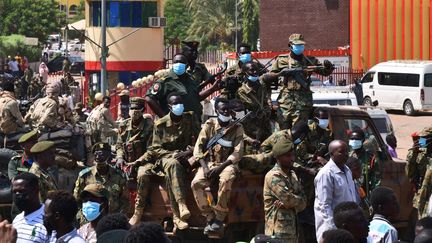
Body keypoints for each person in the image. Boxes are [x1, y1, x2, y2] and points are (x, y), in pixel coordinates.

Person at [129, 93, 198, 229]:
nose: (179, 106)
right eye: (176, 104)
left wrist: (189, 151)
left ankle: (179, 209)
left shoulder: (189, 118)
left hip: (182, 159)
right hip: (163, 157)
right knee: (143, 172)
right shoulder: (160, 124)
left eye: (180, 103)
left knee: (173, 165)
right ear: (169, 107)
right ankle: (138, 211)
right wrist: (138, 161)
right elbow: (155, 148)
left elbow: (200, 139)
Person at [191, 97, 244, 236]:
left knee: (226, 180)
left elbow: (238, 152)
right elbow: (198, 148)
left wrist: (221, 168)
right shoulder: (209, 125)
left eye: (228, 109)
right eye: (223, 110)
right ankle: (209, 217)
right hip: (209, 163)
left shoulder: (237, 127)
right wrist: (205, 167)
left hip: (228, 164)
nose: (226, 112)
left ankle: (219, 218)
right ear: (216, 110)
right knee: (196, 183)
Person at [263, 34, 334, 129]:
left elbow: (324, 72)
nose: (300, 47)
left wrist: (328, 68)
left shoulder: (310, 60)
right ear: (290, 45)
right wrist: (282, 73)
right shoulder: (281, 60)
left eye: (301, 45)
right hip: (285, 102)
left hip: (303, 104)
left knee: (300, 131)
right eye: (297, 45)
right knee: (283, 132)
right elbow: (268, 77)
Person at [263, 138, 306, 242]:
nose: (292, 159)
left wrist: (290, 203)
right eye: (288, 156)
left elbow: (304, 202)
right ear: (278, 157)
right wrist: (293, 201)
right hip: (277, 231)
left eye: (293, 155)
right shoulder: (273, 176)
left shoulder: (293, 175)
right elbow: (288, 199)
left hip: (292, 231)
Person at [314, 140, 358, 241]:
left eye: (347, 151)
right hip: (332, 230)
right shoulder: (326, 174)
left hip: (347, 227)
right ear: (332, 154)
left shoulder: (347, 170)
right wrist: (333, 231)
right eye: (341, 152)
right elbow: (324, 206)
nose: (346, 155)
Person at [74, 143, 129, 218]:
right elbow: (77, 200)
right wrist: (82, 218)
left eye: (102, 154)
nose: (98, 157)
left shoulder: (118, 176)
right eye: (96, 154)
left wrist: (119, 218)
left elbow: (125, 201)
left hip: (112, 218)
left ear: (109, 156)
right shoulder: (85, 175)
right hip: (90, 219)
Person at [236, 61, 272, 143]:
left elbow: (266, 101)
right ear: (245, 73)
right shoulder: (242, 92)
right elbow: (250, 106)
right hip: (250, 131)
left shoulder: (262, 86)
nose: (255, 72)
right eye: (251, 70)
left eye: (256, 70)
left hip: (265, 128)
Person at [115, 97, 153, 167]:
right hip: (126, 161)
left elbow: (151, 149)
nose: (134, 111)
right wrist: (120, 157)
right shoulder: (123, 125)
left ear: (143, 110)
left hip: (144, 163)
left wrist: (137, 162)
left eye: (137, 108)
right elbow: (119, 145)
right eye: (132, 108)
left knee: (142, 175)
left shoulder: (150, 126)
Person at [12, 173, 49, 243]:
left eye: (21, 191)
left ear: (36, 191)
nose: (17, 195)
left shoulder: (48, 219)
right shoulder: (17, 219)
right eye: (14, 192)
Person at [348, 129, 381, 198]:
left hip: (364, 196)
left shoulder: (371, 158)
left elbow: (376, 182)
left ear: (363, 140)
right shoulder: (346, 157)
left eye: (356, 139)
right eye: (352, 139)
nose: (354, 141)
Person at [407, 127, 432, 196]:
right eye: (421, 138)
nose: (421, 140)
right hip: (420, 193)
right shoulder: (418, 154)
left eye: (425, 138)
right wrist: (414, 154)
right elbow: (409, 174)